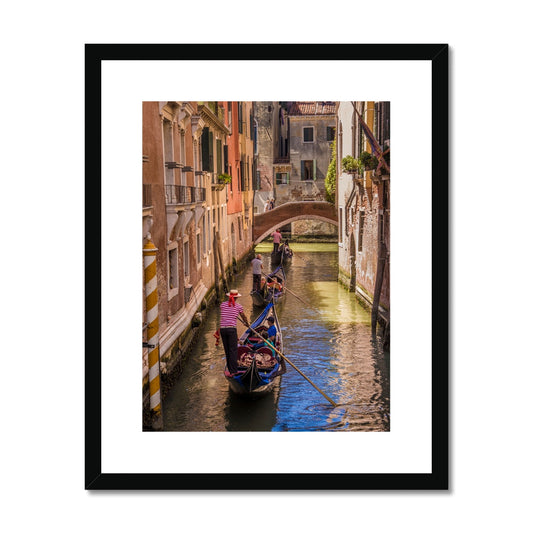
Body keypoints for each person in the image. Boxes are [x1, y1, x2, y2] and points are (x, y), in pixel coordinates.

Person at [219, 289, 250, 375]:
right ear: (236, 297)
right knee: (233, 350)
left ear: (229, 296)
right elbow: (243, 316)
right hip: (231, 329)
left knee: (227, 350)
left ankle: (230, 369)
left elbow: (226, 312)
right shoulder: (238, 306)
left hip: (222, 329)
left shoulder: (222, 305)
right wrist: (247, 324)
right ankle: (233, 371)